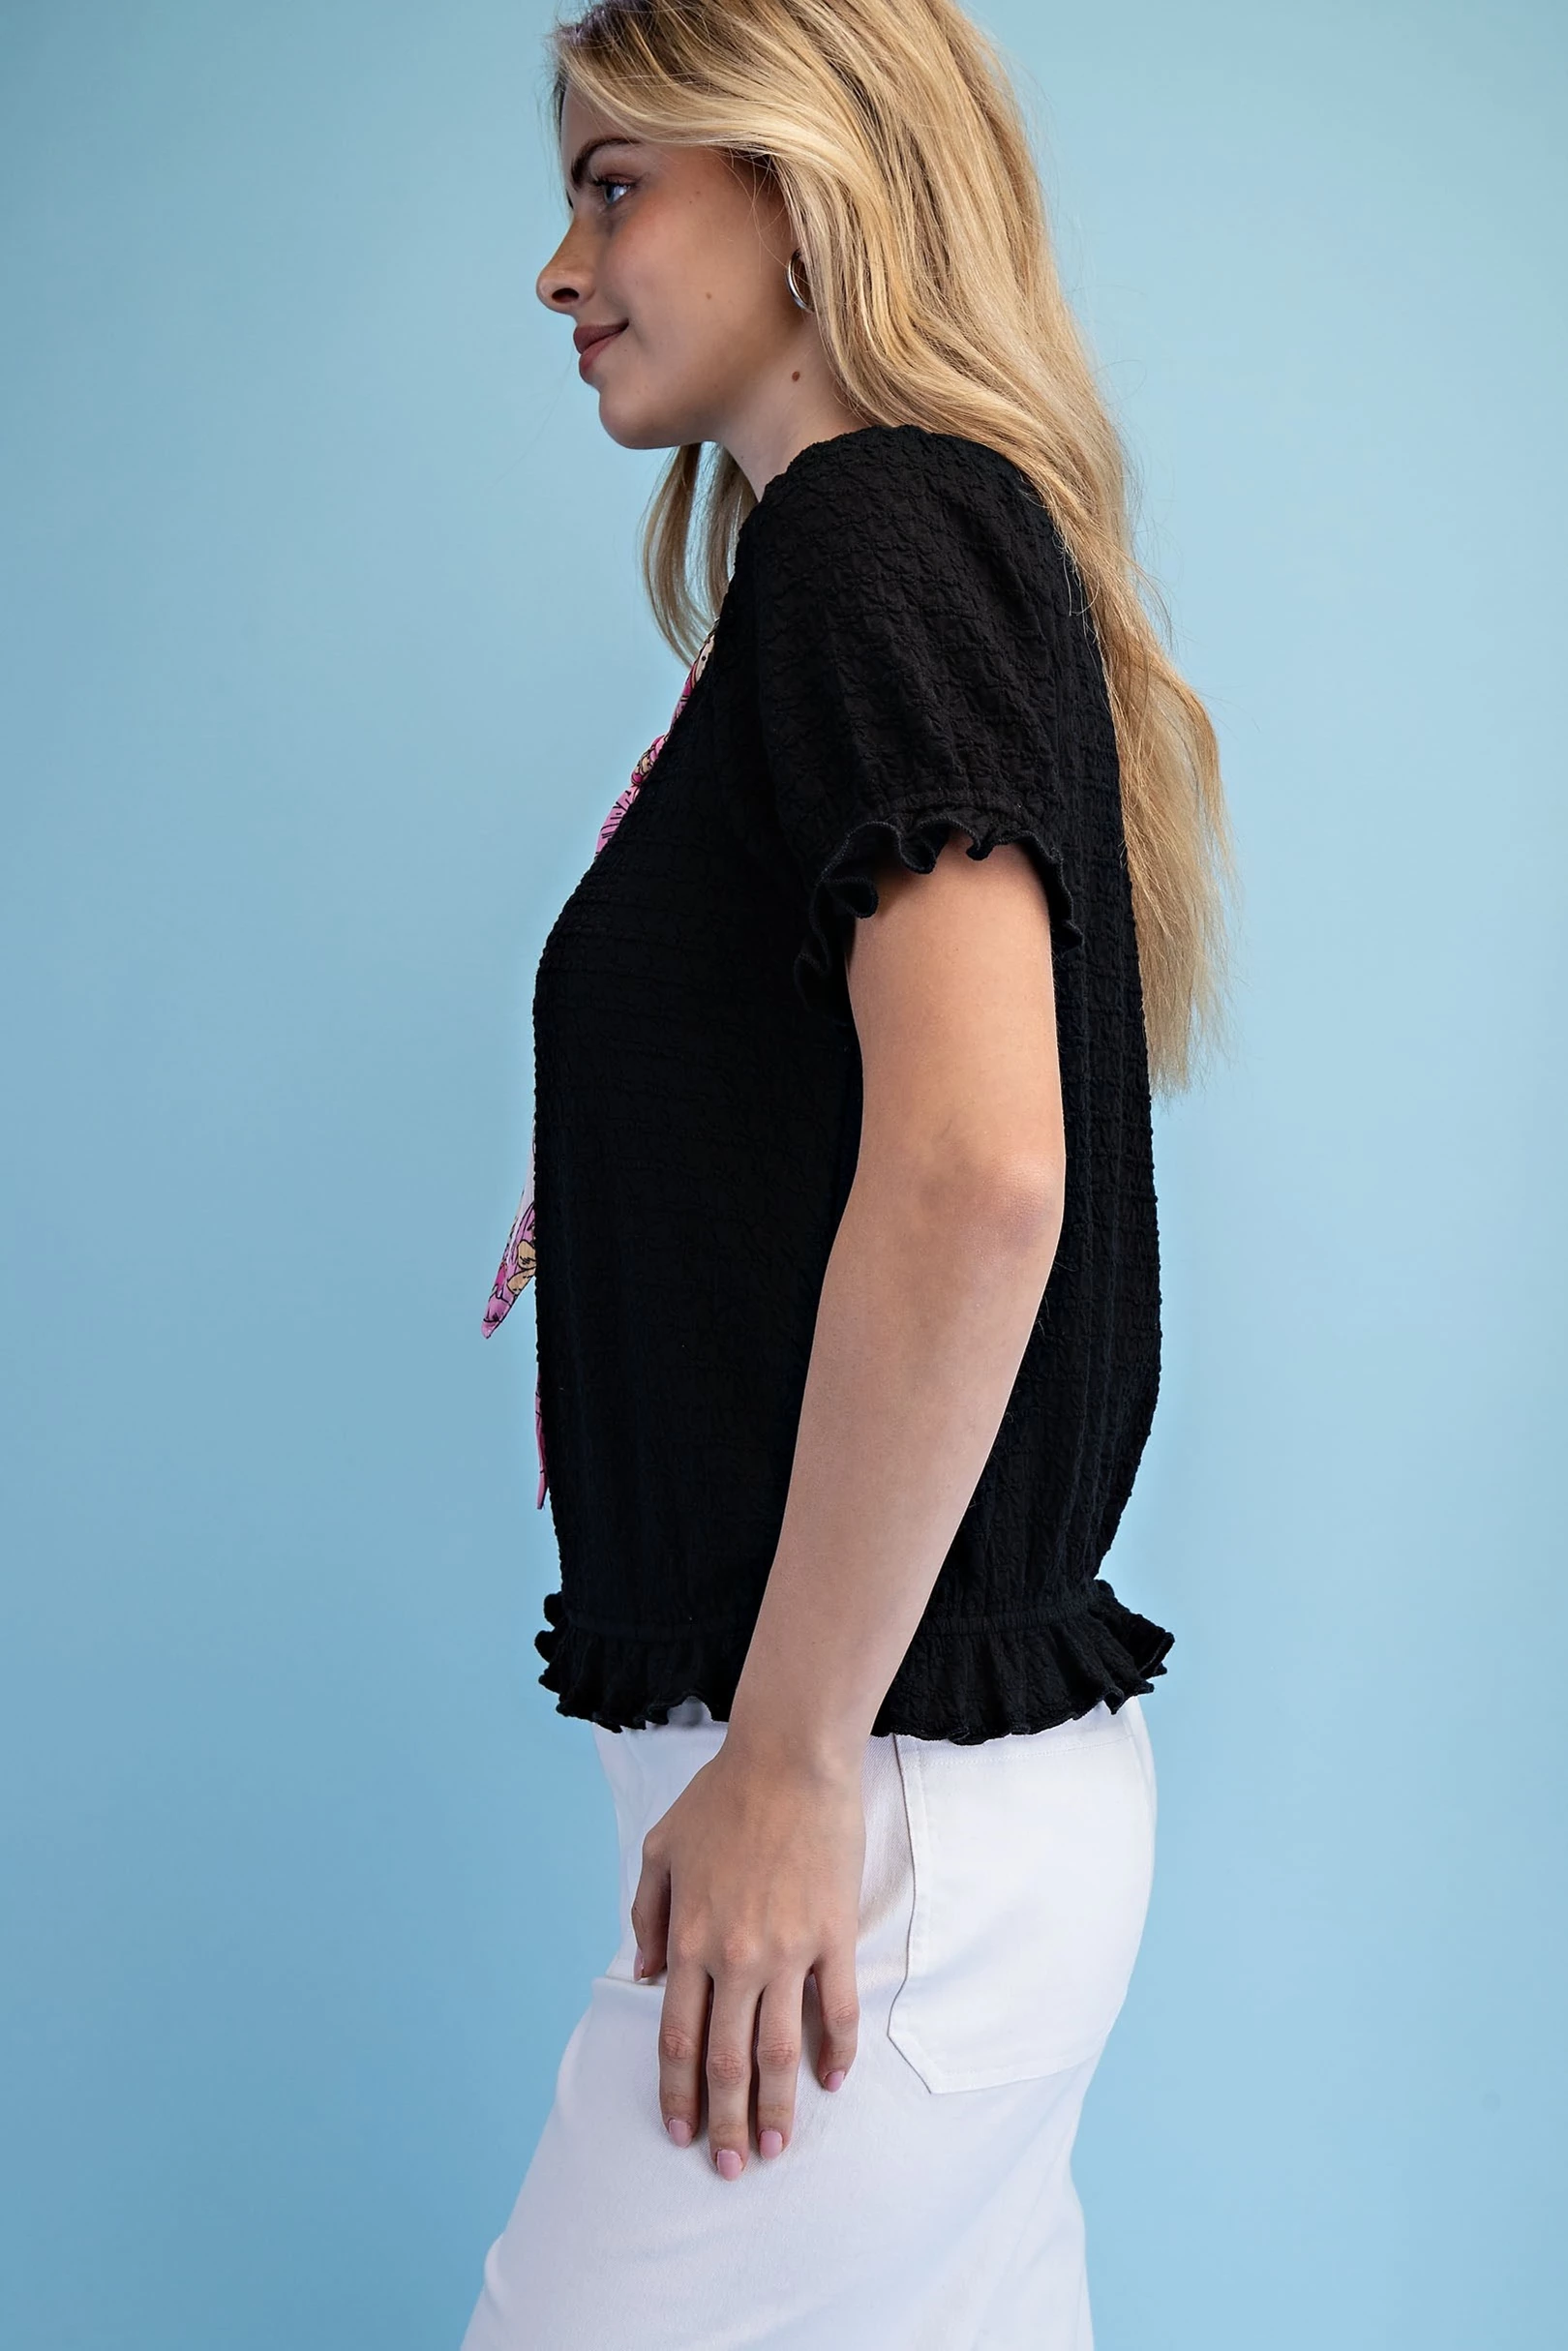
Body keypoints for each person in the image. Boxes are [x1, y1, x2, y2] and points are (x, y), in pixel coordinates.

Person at [461, 1, 1235, 2342]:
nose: (561, 266)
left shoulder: (878, 534)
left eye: (617, 186)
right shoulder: (896, 552)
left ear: (802, 189)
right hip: (914, 1818)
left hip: (872, 1814)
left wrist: (791, 1758)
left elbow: (985, 1164)